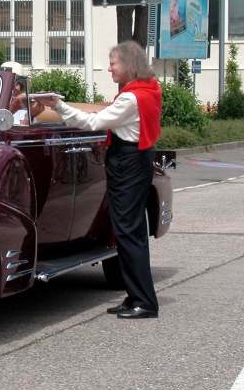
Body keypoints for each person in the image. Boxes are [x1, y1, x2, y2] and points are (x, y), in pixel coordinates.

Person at [36, 40, 162, 319]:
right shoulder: (147, 90)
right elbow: (104, 117)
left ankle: (144, 301)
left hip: (127, 163)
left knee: (128, 234)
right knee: (130, 232)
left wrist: (59, 106)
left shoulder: (131, 98)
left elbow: (94, 123)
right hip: (136, 161)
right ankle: (135, 296)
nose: (109, 69)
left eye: (113, 63)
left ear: (128, 65)